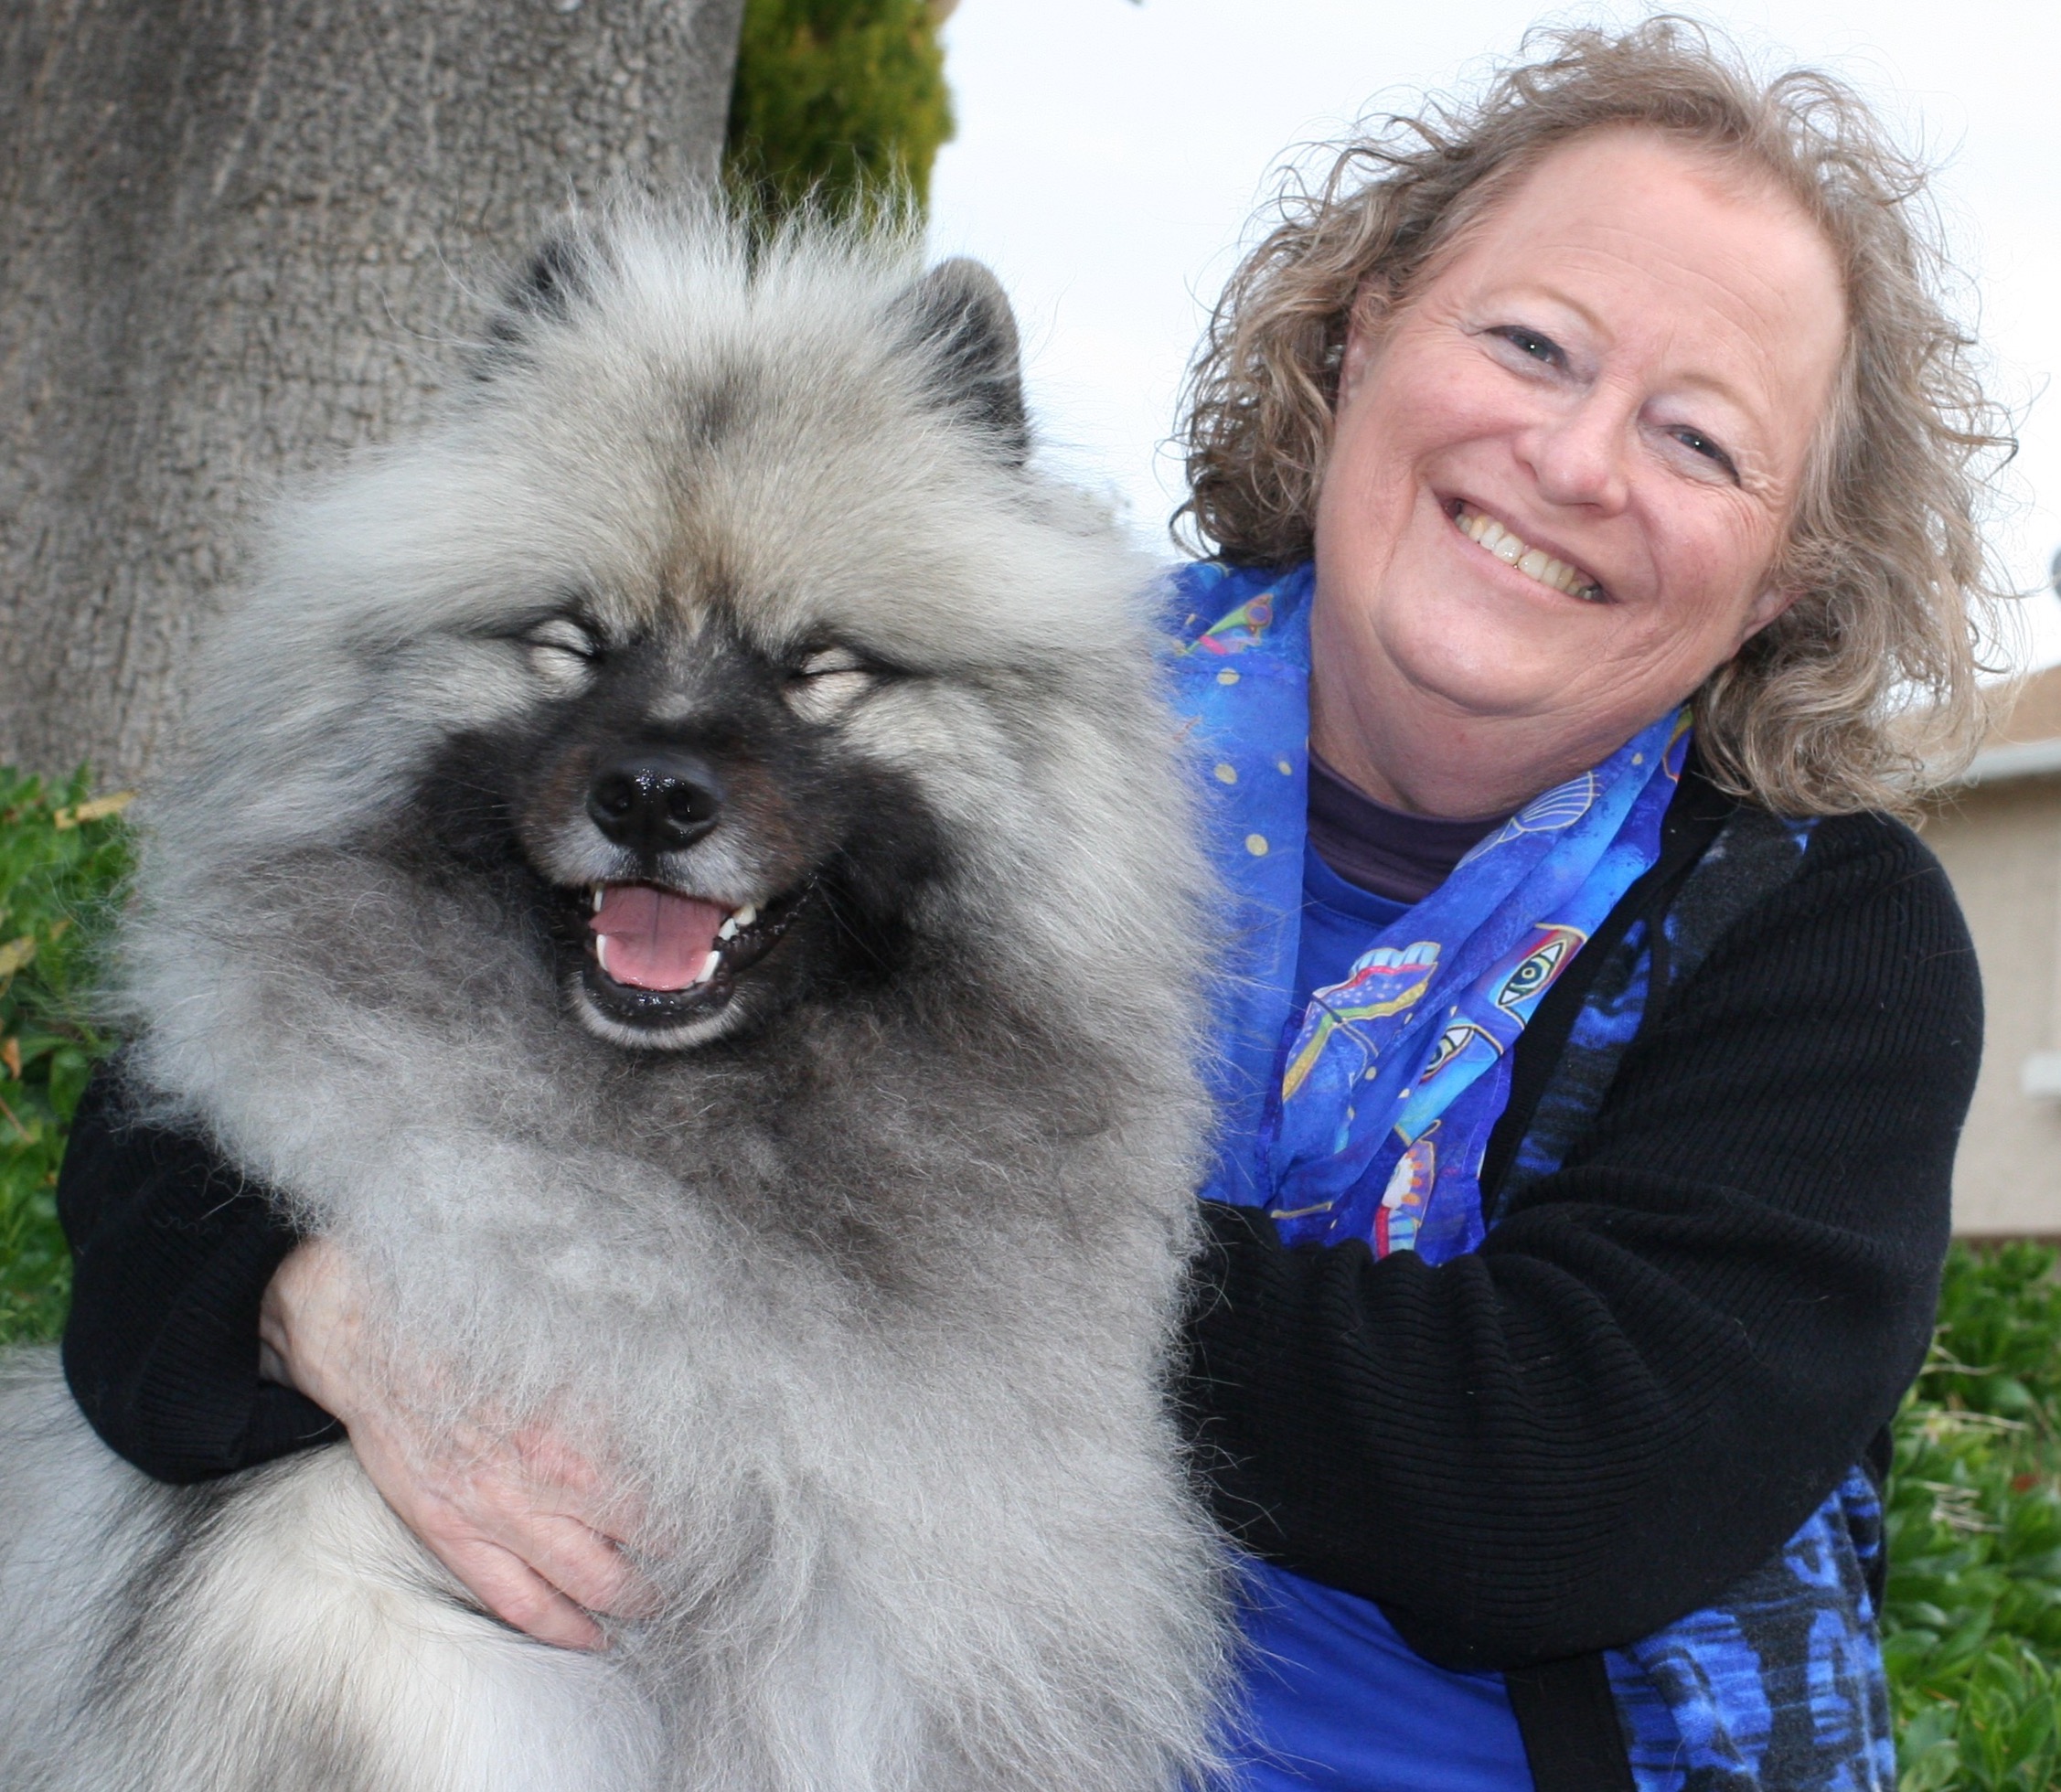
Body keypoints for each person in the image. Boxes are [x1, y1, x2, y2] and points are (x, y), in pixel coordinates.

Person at [55, 20, 2002, 1790]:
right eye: (1531, 345)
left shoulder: (1814, 929)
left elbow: (1563, 1478)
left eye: (1696, 438)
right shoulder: (1025, 676)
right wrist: (296, 1286)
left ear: (1779, 573)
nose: (1573, 459)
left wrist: (834, 1249)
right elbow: (221, 1072)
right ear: (1361, 340)